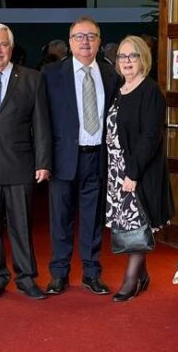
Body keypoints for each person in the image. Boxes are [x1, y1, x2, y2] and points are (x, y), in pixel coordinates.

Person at [0, 23, 52, 300]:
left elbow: (42, 123)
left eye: (4, 44)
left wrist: (43, 162)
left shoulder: (31, 78)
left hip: (20, 165)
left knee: (22, 226)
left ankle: (26, 278)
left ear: (11, 48)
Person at [42, 16, 120, 295]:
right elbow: (42, 120)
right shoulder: (51, 74)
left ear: (99, 42)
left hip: (97, 158)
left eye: (91, 36)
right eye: (79, 37)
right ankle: (59, 274)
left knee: (92, 219)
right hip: (63, 157)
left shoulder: (111, 75)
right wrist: (43, 160)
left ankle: (91, 273)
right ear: (70, 42)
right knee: (60, 219)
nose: (85, 42)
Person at [105, 35, 174, 301]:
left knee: (136, 223)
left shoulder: (150, 91)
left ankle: (131, 280)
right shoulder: (119, 88)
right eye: (122, 56)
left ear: (143, 58)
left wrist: (132, 173)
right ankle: (143, 276)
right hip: (116, 169)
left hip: (136, 171)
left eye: (132, 56)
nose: (127, 61)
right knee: (129, 224)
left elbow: (150, 136)